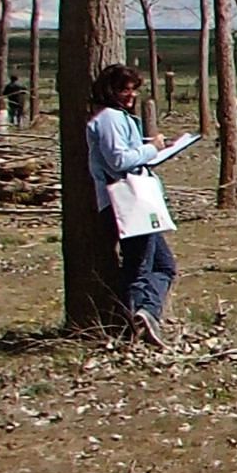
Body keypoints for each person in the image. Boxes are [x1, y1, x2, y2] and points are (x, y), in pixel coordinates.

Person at [86, 62, 187, 342]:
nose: (130, 95)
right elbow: (118, 160)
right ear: (110, 91)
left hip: (134, 201)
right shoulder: (108, 118)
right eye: (124, 90)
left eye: (133, 90)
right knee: (140, 266)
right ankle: (136, 322)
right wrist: (151, 148)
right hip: (126, 202)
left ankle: (146, 314)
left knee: (163, 265)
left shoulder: (117, 117)